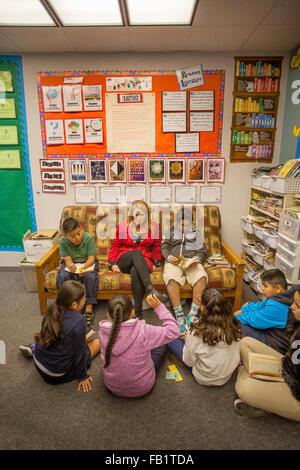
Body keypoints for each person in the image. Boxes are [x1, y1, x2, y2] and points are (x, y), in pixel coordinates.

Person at [19, 280, 100, 392]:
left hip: (39, 362)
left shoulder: (52, 309)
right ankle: (33, 348)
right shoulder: (79, 320)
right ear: (74, 304)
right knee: (97, 343)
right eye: (84, 298)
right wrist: (82, 376)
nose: (85, 300)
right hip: (56, 375)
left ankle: (33, 348)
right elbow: (79, 354)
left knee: (66, 339)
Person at [234, 286, 300, 421]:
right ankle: (266, 396)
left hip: (296, 390)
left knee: (244, 388)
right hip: (288, 367)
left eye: (297, 306)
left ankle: (268, 401)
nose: (292, 307)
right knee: (245, 342)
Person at [98, 292, 180, 398]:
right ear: (133, 312)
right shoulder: (144, 330)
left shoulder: (103, 331)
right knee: (161, 345)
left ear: (108, 316)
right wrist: (159, 307)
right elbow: (174, 331)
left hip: (112, 386)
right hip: (142, 388)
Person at [167, 288, 243, 386]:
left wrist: (188, 341)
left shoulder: (195, 332)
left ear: (202, 308)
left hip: (203, 378)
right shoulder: (235, 325)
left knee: (170, 335)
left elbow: (188, 361)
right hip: (226, 376)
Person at [108, 200, 168, 320]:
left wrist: (156, 261)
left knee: (135, 271)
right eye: (136, 214)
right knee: (136, 252)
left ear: (147, 214)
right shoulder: (123, 227)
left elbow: (157, 246)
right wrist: (112, 262)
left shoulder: (154, 227)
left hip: (144, 261)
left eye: (142, 214)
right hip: (124, 259)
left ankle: (138, 314)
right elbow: (115, 246)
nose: (139, 217)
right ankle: (150, 289)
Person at [161, 207, 207, 334]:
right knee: (171, 280)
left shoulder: (197, 233)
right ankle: (179, 315)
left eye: (186, 225)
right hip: (174, 262)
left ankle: (192, 314)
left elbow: (202, 251)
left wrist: (197, 259)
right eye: (181, 225)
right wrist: (170, 258)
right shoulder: (170, 231)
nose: (183, 228)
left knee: (201, 278)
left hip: (191, 262)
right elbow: (164, 247)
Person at [234, 269, 297, 351]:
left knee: (237, 324)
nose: (262, 288)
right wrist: (242, 310)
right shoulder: (281, 296)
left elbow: (254, 319)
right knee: (249, 311)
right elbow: (259, 305)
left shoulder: (277, 307)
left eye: (265, 286)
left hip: (274, 343)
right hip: (270, 331)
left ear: (278, 288)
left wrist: (234, 318)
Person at [56, 217, 99, 329]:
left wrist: (83, 268)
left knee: (90, 276)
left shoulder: (88, 238)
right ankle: (68, 307)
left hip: (87, 263)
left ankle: (88, 310)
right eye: (72, 236)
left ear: (81, 228)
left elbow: (91, 259)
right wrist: (71, 267)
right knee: (64, 276)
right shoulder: (62, 241)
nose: (77, 238)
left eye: (78, 233)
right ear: (65, 235)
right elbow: (67, 259)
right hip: (73, 263)